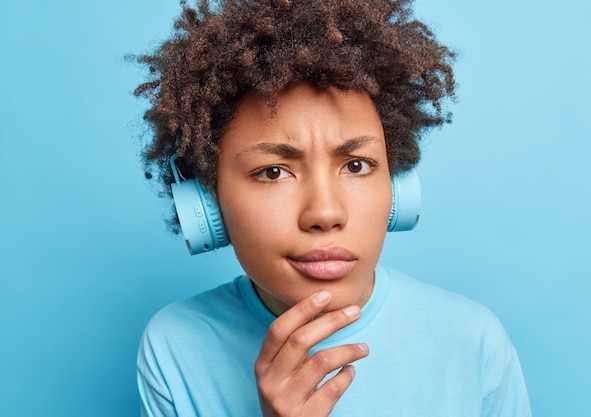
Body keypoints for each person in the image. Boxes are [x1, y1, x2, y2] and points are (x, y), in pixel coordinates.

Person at [132, 0, 531, 416]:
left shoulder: (473, 341)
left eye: (356, 166)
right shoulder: (175, 345)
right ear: (209, 205)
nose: (325, 213)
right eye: (273, 172)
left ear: (397, 192)